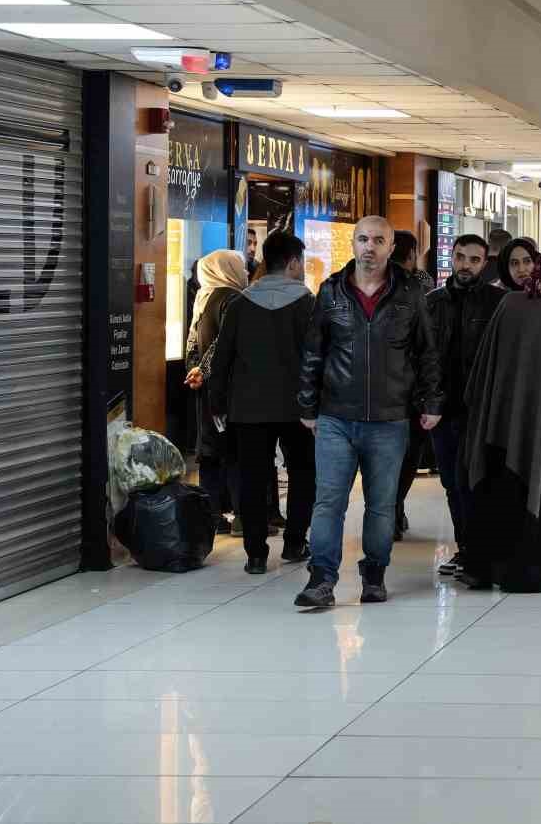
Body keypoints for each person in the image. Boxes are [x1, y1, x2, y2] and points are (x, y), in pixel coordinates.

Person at [294, 216, 443, 609]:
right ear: (352, 244)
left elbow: (428, 352)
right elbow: (313, 352)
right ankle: (321, 580)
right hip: (335, 416)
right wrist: (307, 407)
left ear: (391, 248)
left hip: (389, 419)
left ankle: (374, 574)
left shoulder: (411, 295)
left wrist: (432, 402)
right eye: (363, 239)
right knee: (328, 502)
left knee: (381, 505)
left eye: (379, 240)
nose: (369, 247)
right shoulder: (330, 292)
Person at [457, 252, 541, 592]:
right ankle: (532, 574)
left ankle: (487, 567)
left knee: (495, 496)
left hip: (497, 429)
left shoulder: (509, 305)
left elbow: (486, 367)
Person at [208, 232, 316, 574]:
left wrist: (217, 404)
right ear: (294, 262)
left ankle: (255, 553)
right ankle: (295, 542)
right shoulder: (307, 304)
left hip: (248, 408)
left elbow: (221, 359)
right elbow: (319, 358)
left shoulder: (240, 304)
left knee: (253, 478)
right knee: (303, 474)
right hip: (298, 409)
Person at [424, 232, 505, 576]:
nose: (466, 265)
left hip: (480, 409)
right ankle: (466, 547)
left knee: (476, 480)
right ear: (452, 258)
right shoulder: (432, 302)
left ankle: (480, 549)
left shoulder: (498, 303)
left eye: (474, 259)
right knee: (451, 482)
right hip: (442, 408)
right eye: (461, 257)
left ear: (484, 263)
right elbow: (421, 355)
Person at [184, 249, 249, 535]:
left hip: (205, 391)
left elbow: (192, 343)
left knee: (209, 452)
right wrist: (206, 370)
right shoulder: (233, 299)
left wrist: (195, 371)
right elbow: (226, 343)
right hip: (229, 388)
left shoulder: (203, 297)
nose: (245, 273)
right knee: (236, 452)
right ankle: (243, 518)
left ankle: (211, 516)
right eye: (241, 267)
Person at [392, 228, 435, 541]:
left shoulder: (370, 283)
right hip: (414, 383)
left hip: (382, 384)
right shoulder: (421, 284)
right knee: (409, 451)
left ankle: (387, 508)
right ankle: (393, 505)